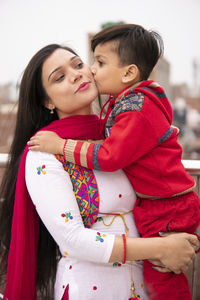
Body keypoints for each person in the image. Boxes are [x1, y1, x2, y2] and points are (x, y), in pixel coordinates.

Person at [0, 44, 198, 300]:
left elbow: (159, 192)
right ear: (47, 101)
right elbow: (73, 240)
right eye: (59, 77)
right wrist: (162, 247)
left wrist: (179, 242)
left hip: (144, 287)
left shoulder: (119, 136)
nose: (76, 74)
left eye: (78, 64)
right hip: (90, 288)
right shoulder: (45, 151)